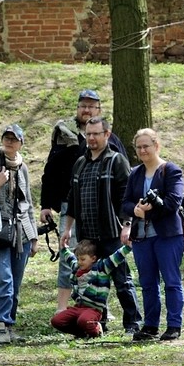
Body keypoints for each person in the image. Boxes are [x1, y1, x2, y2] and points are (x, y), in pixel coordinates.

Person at [40, 90, 129, 314]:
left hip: (104, 218)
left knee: (106, 265)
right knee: (70, 257)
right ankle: (63, 308)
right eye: (83, 106)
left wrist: (125, 219)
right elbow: (50, 171)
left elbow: (124, 182)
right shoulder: (65, 135)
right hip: (73, 211)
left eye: (92, 106)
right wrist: (46, 205)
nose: (86, 110)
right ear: (77, 108)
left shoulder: (112, 143)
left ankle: (108, 311)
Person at [60, 116, 142, 334]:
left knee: (122, 280)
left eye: (96, 134)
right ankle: (98, 324)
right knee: (91, 281)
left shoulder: (116, 161)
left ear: (107, 134)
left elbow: (126, 196)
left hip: (111, 233)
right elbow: (72, 199)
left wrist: (127, 225)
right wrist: (67, 229)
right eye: (88, 134)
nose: (92, 138)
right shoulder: (80, 164)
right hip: (87, 236)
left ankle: (133, 323)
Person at [0, 124, 39, 344]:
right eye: (6, 138)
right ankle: (1, 326)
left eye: (14, 139)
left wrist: (34, 237)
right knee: (4, 279)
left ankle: (10, 325)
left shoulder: (23, 168)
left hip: (21, 233)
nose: (10, 142)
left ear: (21, 143)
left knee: (16, 281)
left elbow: (28, 202)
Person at [121, 128, 184, 341]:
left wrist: (151, 208)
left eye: (146, 146)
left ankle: (174, 325)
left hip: (167, 235)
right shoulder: (135, 173)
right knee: (147, 282)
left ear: (156, 146)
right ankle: (150, 325)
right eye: (139, 147)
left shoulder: (171, 170)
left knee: (171, 280)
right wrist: (136, 210)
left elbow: (174, 202)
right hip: (142, 236)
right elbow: (126, 202)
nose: (142, 150)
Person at [50, 239, 133, 338]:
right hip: (78, 307)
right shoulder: (77, 267)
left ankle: (97, 331)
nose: (79, 262)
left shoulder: (102, 268)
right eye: (78, 259)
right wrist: (63, 248)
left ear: (93, 258)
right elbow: (69, 258)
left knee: (84, 320)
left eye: (83, 259)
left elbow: (115, 258)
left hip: (93, 309)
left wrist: (127, 247)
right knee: (56, 321)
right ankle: (81, 332)